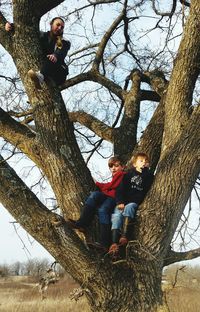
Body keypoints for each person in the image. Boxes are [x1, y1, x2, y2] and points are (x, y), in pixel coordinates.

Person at [68, 156, 126, 250]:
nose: (113, 168)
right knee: (94, 195)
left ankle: (104, 243)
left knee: (102, 210)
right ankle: (82, 223)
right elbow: (109, 187)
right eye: (111, 167)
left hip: (115, 198)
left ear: (122, 167)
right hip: (108, 196)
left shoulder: (123, 175)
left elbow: (112, 185)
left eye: (116, 166)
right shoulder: (114, 176)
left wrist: (98, 184)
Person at [108, 152, 154, 258]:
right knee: (116, 216)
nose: (144, 163)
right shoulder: (128, 175)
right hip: (123, 202)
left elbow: (148, 185)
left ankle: (124, 236)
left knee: (129, 208)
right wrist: (120, 202)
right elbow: (119, 190)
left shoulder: (149, 176)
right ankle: (114, 243)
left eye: (146, 162)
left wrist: (146, 171)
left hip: (134, 202)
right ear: (134, 164)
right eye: (141, 161)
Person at [5, 17, 70, 89]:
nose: (60, 28)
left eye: (62, 27)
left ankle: (40, 77)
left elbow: (61, 51)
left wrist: (55, 55)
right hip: (45, 68)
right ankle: (39, 81)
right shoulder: (42, 35)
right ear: (51, 24)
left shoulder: (64, 42)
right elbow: (26, 31)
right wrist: (11, 26)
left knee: (52, 58)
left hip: (59, 73)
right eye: (57, 25)